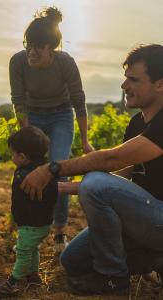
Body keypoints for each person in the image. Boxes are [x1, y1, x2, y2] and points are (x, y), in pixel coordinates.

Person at [19, 44, 163, 295]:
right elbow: (124, 176)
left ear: (160, 84)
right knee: (73, 260)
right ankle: (155, 259)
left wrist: (52, 168)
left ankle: (113, 277)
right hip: (144, 218)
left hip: (158, 218)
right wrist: (63, 186)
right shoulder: (137, 122)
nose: (124, 86)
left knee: (96, 181)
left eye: (133, 79)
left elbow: (113, 160)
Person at [9, 6, 94, 251]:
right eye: (28, 45)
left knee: (58, 167)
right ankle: (26, 230)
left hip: (60, 115)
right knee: (29, 168)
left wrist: (85, 140)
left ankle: (59, 230)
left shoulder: (65, 62)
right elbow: (19, 101)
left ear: (51, 49)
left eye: (38, 47)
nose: (31, 52)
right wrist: (25, 136)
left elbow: (79, 101)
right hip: (33, 115)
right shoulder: (17, 62)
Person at [0, 126, 58, 296]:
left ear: (22, 156)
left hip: (30, 224)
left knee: (23, 251)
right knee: (33, 249)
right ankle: (34, 275)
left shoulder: (25, 176)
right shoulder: (45, 172)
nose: (11, 157)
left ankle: (12, 282)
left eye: (13, 154)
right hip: (43, 222)